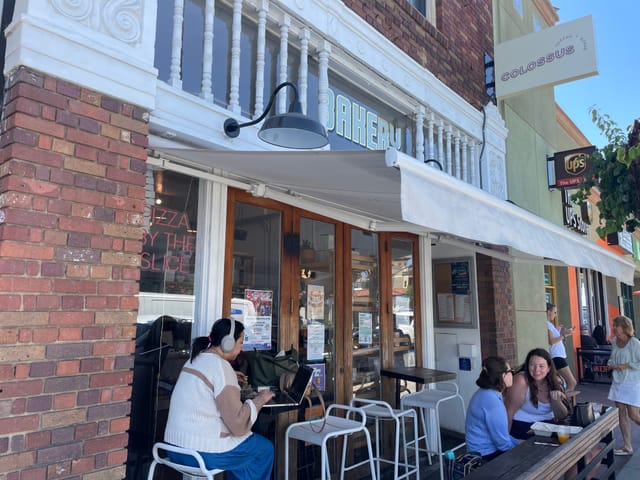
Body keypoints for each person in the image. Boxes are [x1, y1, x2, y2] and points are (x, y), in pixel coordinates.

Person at [164, 318, 276, 479]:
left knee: (244, 452)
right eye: (241, 342)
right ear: (228, 342)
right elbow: (238, 424)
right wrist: (260, 399)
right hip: (200, 453)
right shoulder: (221, 367)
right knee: (263, 450)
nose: (242, 348)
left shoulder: (194, 359)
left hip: (174, 448)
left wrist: (230, 377)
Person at [505, 348, 571, 439]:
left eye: (541, 366)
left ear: (549, 368)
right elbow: (508, 411)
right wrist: (506, 440)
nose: (536, 370)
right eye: (532, 365)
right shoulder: (521, 380)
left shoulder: (556, 381)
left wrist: (556, 401)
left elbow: (562, 416)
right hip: (523, 427)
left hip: (548, 428)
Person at [465, 356, 520, 461]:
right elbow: (502, 444)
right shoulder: (493, 403)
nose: (513, 374)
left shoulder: (484, 392)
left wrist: (518, 442)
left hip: (478, 451)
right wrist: (522, 449)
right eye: (511, 371)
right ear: (503, 376)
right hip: (485, 455)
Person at [607, 315, 640, 456]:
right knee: (621, 413)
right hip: (618, 381)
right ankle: (627, 446)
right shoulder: (614, 341)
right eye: (613, 325)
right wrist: (611, 364)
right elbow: (612, 357)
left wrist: (625, 365)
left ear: (625, 327)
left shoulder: (635, 343)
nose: (614, 328)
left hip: (632, 382)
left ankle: (627, 445)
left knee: (633, 414)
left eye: (616, 325)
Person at [546, 302, 577, 391]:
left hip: (557, 356)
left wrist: (564, 334)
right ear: (548, 312)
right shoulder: (547, 324)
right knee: (571, 382)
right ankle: (565, 402)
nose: (555, 315)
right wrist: (563, 335)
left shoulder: (549, 324)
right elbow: (551, 341)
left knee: (558, 383)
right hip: (556, 356)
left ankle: (562, 400)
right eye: (554, 312)